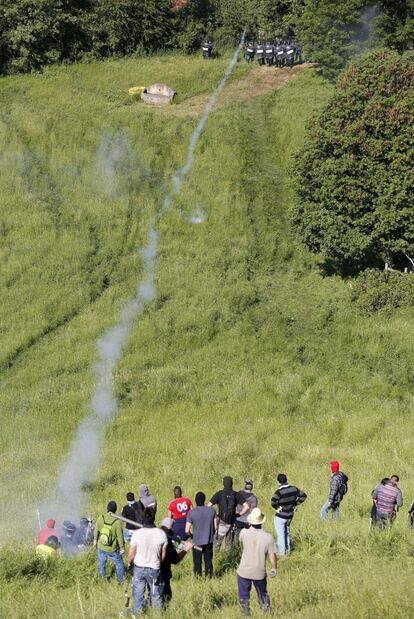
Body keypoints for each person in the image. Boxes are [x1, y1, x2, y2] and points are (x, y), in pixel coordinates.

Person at [236, 507, 277, 616]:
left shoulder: (244, 533)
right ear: (261, 522)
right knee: (262, 594)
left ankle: (246, 614)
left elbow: (240, 542)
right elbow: (272, 555)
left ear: (250, 521)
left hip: (244, 571)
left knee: (244, 596)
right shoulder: (268, 537)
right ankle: (266, 613)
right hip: (259, 572)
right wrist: (273, 568)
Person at [127, 507, 168, 614]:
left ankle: (137, 614)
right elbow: (162, 556)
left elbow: (131, 554)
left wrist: (129, 563)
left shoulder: (136, 534)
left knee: (138, 595)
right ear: (154, 517)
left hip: (139, 568)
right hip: (154, 569)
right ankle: (157, 615)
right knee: (156, 595)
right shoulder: (161, 534)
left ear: (142, 518)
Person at [208, 476, 249, 551]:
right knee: (229, 545)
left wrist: (216, 514)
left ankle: (216, 559)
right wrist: (238, 514)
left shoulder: (219, 494)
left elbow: (209, 506)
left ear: (223, 483)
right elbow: (246, 506)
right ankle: (228, 560)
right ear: (232, 484)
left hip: (221, 522)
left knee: (216, 544)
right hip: (231, 521)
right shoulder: (236, 494)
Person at [271, 473, 307, 556]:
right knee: (287, 532)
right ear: (286, 480)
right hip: (290, 515)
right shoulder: (294, 489)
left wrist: (277, 508)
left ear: (278, 482)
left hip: (281, 516)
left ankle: (281, 554)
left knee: (280, 535)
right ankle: (288, 551)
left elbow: (273, 502)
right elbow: (303, 496)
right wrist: (295, 504)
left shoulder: (278, 492)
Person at [160, 517, 192, 604]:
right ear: (170, 528)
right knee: (166, 597)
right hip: (163, 574)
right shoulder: (167, 541)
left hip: (150, 571)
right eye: (173, 527)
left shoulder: (156, 535)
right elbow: (175, 560)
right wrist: (185, 550)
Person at [185, 491, 216, 577]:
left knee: (197, 562)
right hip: (208, 541)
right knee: (208, 560)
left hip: (197, 542)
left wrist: (191, 535)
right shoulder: (212, 511)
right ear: (204, 500)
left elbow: (186, 530)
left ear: (195, 501)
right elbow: (215, 527)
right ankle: (209, 576)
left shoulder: (191, 512)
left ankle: (198, 578)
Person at [94, 501, 125, 584]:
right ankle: (121, 581)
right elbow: (120, 537)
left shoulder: (101, 518)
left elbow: (96, 531)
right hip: (112, 549)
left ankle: (102, 580)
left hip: (101, 546)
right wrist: (122, 548)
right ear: (115, 510)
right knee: (119, 564)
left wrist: (95, 541)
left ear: (107, 508)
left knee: (101, 563)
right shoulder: (117, 522)